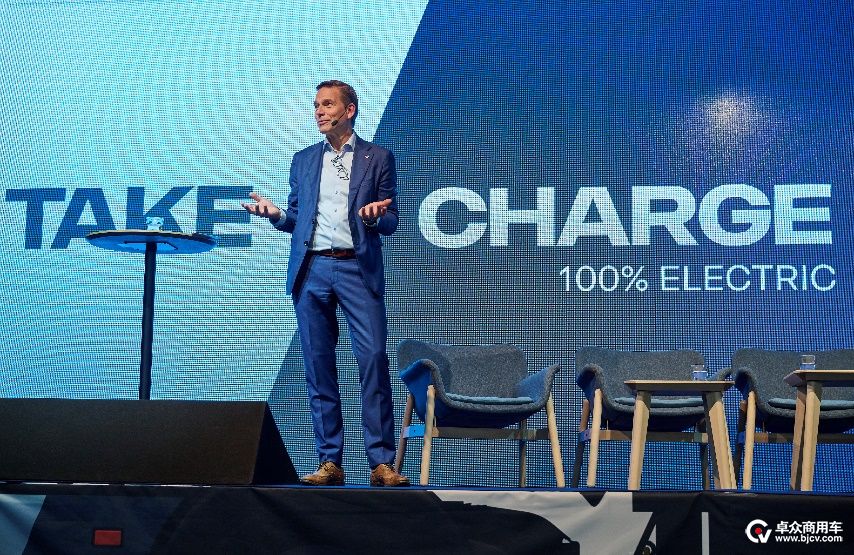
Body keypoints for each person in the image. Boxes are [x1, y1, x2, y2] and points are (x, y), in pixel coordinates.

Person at [242, 80, 408, 487]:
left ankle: (381, 463)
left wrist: (374, 217)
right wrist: (277, 215)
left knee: (373, 360)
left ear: (349, 111)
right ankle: (329, 461)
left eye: (328, 104)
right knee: (318, 366)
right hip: (312, 269)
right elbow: (296, 219)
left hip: (357, 268)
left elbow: (391, 220)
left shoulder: (377, 157)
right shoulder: (303, 160)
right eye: (316, 105)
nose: (319, 111)